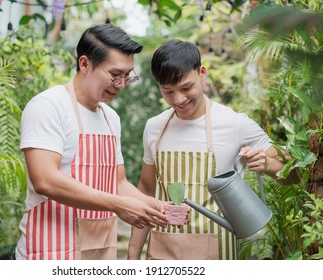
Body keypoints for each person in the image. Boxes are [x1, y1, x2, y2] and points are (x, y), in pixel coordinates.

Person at [127, 40, 300, 260]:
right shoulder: (154, 127)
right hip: (162, 254)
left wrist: (267, 165)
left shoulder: (236, 124)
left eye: (186, 88)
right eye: (168, 91)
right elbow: (146, 191)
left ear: (202, 73)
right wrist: (133, 256)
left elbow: (294, 175)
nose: (179, 99)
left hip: (217, 256)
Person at [15, 23, 167, 260]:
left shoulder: (110, 118)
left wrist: (155, 207)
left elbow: (117, 183)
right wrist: (117, 205)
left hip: (99, 253)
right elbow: (45, 180)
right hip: (51, 252)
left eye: (127, 76)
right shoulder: (49, 105)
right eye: (115, 75)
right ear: (84, 64)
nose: (121, 84)